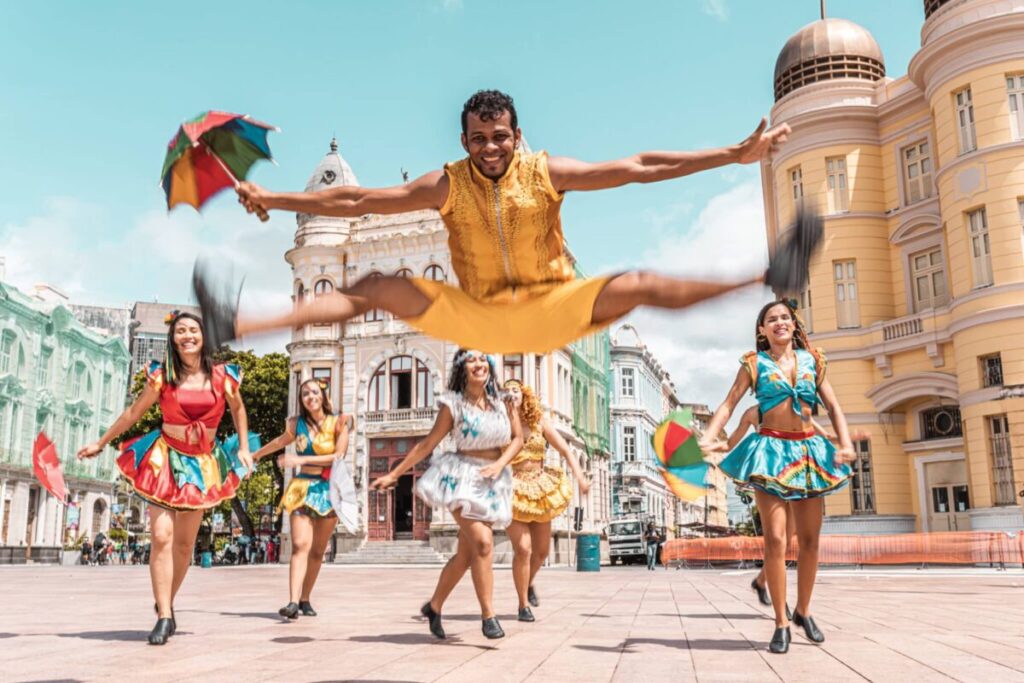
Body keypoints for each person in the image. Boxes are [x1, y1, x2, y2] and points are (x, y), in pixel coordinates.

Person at [194, 90, 807, 356]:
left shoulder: (545, 171)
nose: (492, 148)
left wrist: (732, 153)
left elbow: (638, 167)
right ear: (464, 139)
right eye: (480, 139)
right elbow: (359, 201)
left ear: (518, 135)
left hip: (552, 306)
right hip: (480, 313)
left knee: (638, 282)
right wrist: (277, 199)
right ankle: (239, 324)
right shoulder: (446, 184)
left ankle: (765, 276)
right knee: (378, 288)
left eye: (502, 137)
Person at [77, 311, 254, 645]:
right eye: (180, 331)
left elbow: (238, 410)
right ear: (173, 338)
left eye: (193, 330)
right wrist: (101, 442)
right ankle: (164, 616)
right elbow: (134, 412)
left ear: (204, 337)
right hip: (165, 459)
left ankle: (166, 601)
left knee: (185, 545)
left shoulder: (223, 377)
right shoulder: (163, 376)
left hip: (202, 465)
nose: (187, 336)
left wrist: (243, 447)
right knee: (161, 535)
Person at [701, 299, 855, 654]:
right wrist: (711, 436)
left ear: (793, 324)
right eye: (772, 319)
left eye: (785, 317)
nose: (780, 322)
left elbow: (832, 406)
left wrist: (844, 443)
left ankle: (803, 611)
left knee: (811, 541)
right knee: (775, 539)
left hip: (808, 453)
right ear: (762, 330)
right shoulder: (753, 364)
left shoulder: (813, 360)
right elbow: (729, 403)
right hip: (770, 453)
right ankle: (781, 623)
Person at [371, 349, 523, 640]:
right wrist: (394, 473)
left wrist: (500, 464)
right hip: (461, 477)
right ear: (461, 368)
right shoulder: (452, 405)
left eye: (483, 358)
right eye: (471, 360)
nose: (479, 364)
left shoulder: (503, 401)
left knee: (467, 556)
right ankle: (488, 616)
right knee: (483, 542)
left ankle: (435, 606)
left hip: (492, 480)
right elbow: (427, 444)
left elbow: (518, 438)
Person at [251, 378, 352, 619]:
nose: (310, 397)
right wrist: (256, 455)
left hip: (329, 492)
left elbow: (338, 456)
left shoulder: (340, 422)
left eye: (314, 392)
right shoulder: (296, 424)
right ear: (301, 399)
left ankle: (306, 598)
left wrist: (299, 460)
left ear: (323, 395)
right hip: (301, 489)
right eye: (305, 393)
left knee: (317, 551)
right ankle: (293, 602)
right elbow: (279, 441)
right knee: (299, 546)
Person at [502, 379, 589, 619]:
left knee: (541, 552)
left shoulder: (539, 421)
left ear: (524, 395)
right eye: (506, 391)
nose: (511, 393)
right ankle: (522, 605)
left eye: (515, 390)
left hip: (540, 487)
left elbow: (565, 450)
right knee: (523, 548)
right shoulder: (500, 424)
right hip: (512, 489)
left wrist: (580, 477)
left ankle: (527, 583)